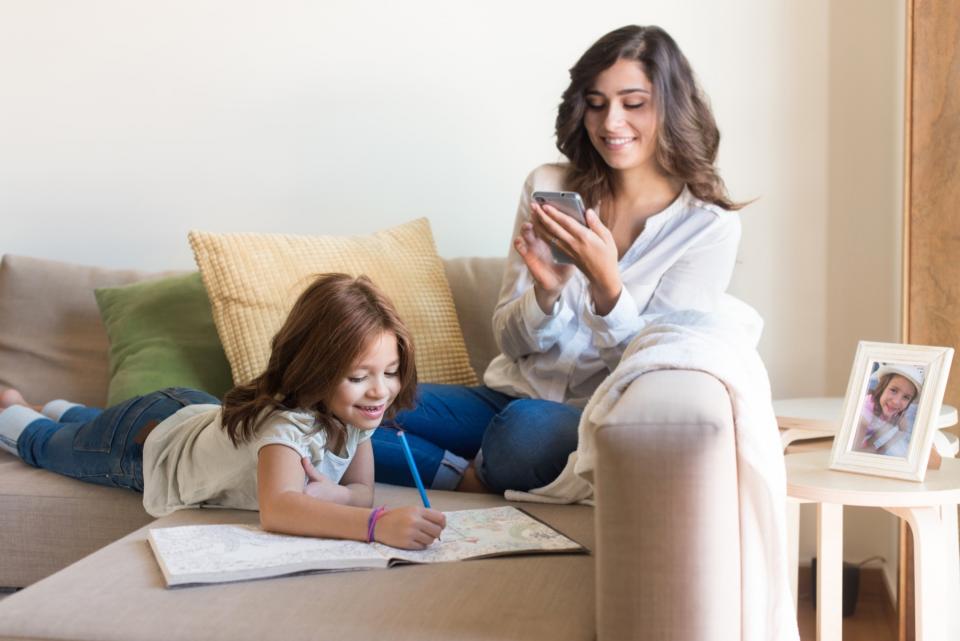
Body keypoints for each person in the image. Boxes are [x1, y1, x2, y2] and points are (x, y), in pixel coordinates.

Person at [372, 24, 743, 494]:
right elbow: (509, 340)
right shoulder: (548, 185)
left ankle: (462, 461)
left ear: (671, 106)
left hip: (589, 415)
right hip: (503, 397)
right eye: (595, 102)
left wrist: (608, 289)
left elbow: (655, 371)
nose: (610, 122)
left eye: (633, 104)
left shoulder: (706, 229)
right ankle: (466, 476)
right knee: (352, 404)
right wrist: (545, 295)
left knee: (523, 431)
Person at [0, 273, 445, 549]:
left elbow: (361, 486)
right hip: (141, 442)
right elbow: (280, 510)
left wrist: (344, 498)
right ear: (315, 369)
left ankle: (63, 408)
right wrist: (375, 525)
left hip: (188, 412)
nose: (380, 392)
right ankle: (12, 405)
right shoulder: (285, 426)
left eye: (391, 371)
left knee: (87, 426)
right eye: (358, 377)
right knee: (45, 444)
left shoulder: (354, 414)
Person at [852, 364, 923, 457]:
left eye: (906, 397)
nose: (896, 402)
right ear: (882, 388)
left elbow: (902, 430)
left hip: (868, 436)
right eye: (893, 390)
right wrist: (873, 450)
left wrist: (881, 447)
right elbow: (854, 450)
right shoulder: (865, 411)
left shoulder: (896, 413)